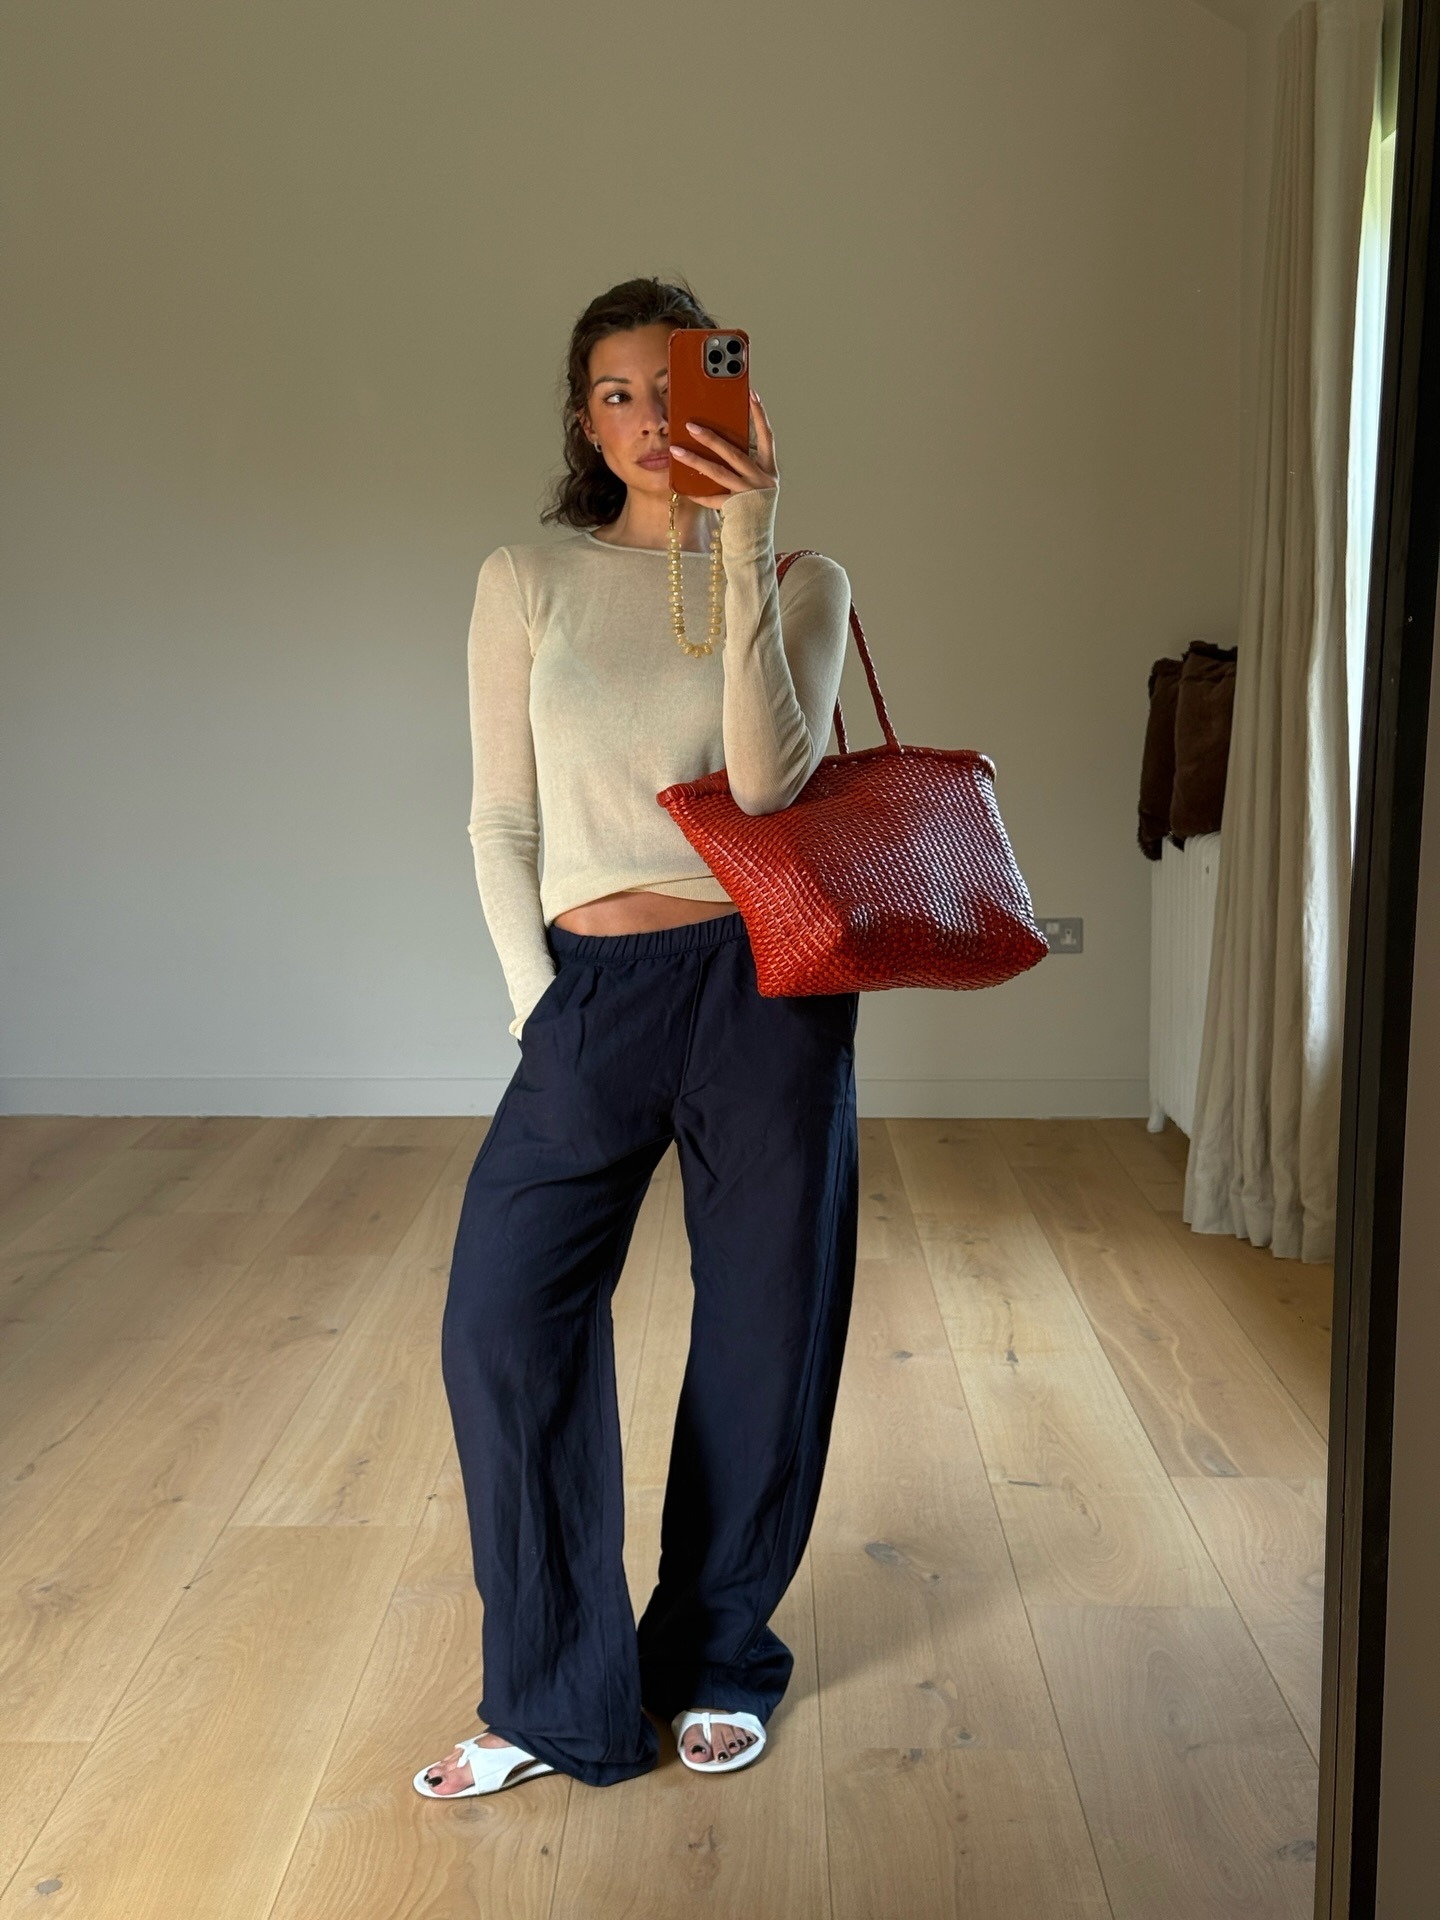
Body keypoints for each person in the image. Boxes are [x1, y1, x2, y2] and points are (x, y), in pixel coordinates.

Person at [415, 276, 859, 1800]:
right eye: (618, 394)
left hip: (763, 987)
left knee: (761, 1333)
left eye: (681, 388)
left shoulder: (801, 578)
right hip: (590, 995)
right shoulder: (524, 575)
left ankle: (723, 1654)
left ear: (728, 396)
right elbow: (499, 819)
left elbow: (766, 780)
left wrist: (746, 537)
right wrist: (541, 1008)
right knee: (502, 1322)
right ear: (582, 419)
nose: (652, 420)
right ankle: (553, 1693)